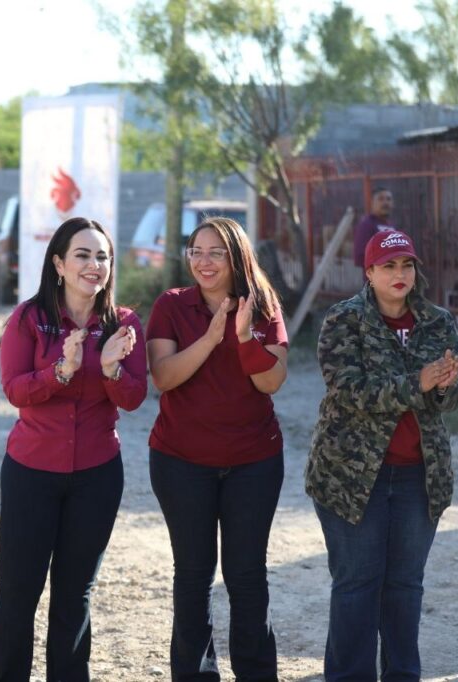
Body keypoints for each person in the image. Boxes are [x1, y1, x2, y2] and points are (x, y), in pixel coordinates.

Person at [0, 217, 147, 682]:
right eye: (83, 255)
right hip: (32, 471)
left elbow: (133, 398)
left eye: (103, 256)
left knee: (76, 594)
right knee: (18, 590)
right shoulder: (29, 319)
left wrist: (111, 369)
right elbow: (14, 390)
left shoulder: (124, 324)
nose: (94, 265)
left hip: (97, 474)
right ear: (58, 263)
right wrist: (62, 369)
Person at [306, 229, 458, 681]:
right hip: (352, 479)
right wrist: (420, 383)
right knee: (356, 586)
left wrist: (448, 385)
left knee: (405, 588)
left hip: (419, 477)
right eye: (389, 266)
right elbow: (349, 390)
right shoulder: (344, 320)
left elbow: (449, 401)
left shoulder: (437, 322)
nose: (399, 274)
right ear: (369, 272)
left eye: (407, 265)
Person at [146, 216, 288, 681]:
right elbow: (164, 378)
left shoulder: (263, 306)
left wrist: (243, 335)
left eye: (216, 252)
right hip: (181, 462)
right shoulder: (171, 306)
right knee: (193, 575)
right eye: (196, 251)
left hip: (254, 462)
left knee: (247, 576)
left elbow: (271, 380)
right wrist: (212, 337)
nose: (204, 262)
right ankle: (195, 674)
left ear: (236, 257)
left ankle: (255, 673)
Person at [353, 186, 396, 276]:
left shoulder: (391, 225)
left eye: (388, 199)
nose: (385, 202)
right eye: (381, 199)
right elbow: (359, 257)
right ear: (372, 202)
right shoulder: (367, 224)